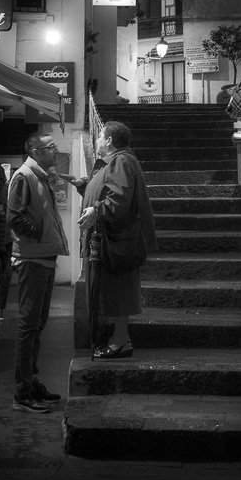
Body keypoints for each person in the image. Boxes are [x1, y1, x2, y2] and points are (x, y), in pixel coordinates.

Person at [77, 121, 157, 360]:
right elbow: (108, 191)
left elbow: (119, 199)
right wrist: (85, 187)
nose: (98, 141)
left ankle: (120, 341)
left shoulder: (121, 161)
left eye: (100, 136)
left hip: (118, 240)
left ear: (110, 140)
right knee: (115, 290)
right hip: (114, 239)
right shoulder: (115, 162)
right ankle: (118, 338)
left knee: (121, 290)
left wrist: (97, 210)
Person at [6, 133, 69, 414]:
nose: (55, 150)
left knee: (37, 324)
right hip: (32, 260)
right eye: (50, 147)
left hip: (42, 258)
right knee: (28, 326)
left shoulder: (41, 176)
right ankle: (22, 393)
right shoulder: (24, 176)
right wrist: (39, 235)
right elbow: (14, 218)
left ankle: (31, 382)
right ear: (35, 151)